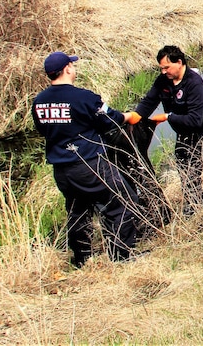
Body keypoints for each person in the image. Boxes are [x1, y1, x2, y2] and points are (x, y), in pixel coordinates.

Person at [32, 51, 141, 267]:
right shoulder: (84, 98)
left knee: (77, 211)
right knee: (124, 202)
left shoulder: (39, 102)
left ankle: (81, 258)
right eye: (72, 65)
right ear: (67, 69)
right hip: (90, 165)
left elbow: (43, 130)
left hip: (62, 170)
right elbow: (111, 120)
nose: (74, 68)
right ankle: (122, 257)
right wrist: (129, 116)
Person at [135, 45, 203, 217]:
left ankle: (197, 211)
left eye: (167, 67)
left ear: (179, 62)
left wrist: (167, 117)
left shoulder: (194, 83)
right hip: (182, 134)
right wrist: (133, 116)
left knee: (192, 172)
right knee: (183, 170)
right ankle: (197, 203)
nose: (164, 72)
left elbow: (195, 120)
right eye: (161, 68)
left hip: (200, 135)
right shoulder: (163, 81)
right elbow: (148, 102)